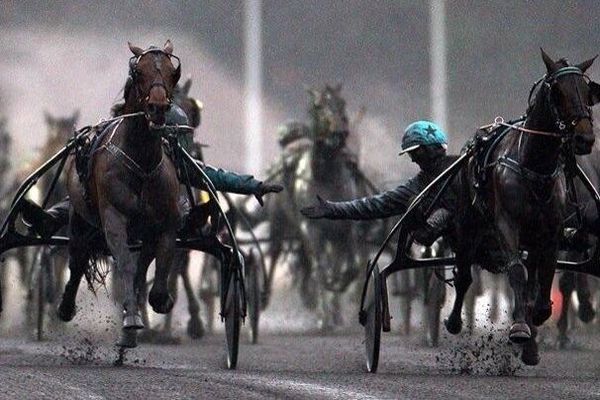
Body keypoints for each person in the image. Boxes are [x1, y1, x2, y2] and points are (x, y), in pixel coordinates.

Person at [21, 102, 282, 238]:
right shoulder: (120, 152)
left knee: (182, 209)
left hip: (163, 216)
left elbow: (216, 177)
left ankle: (195, 223)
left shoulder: (177, 162)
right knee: (90, 193)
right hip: (113, 211)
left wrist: (254, 186)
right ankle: (51, 218)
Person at [301, 120, 456, 245]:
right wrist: (333, 209)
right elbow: (376, 205)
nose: (413, 159)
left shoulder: (468, 167)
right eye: (410, 154)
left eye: (414, 152)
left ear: (428, 149)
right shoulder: (418, 185)